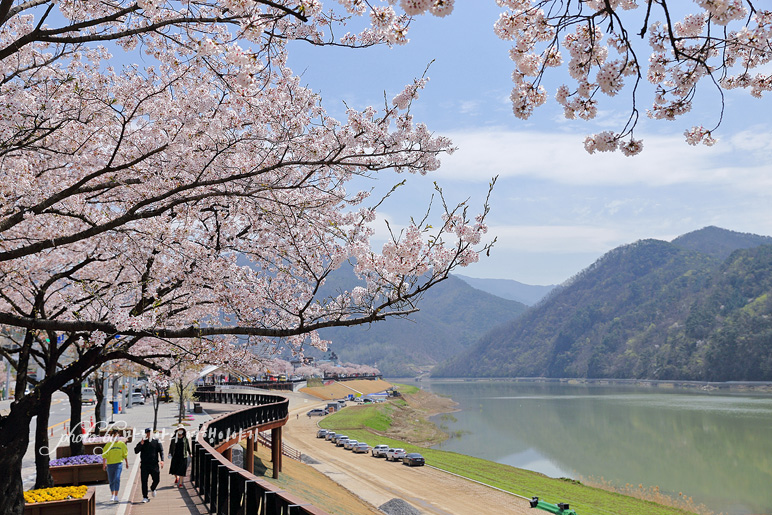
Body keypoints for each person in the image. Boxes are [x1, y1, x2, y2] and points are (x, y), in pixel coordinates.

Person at [134, 428, 164, 503]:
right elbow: (136, 451)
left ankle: (153, 488)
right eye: (147, 433)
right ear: (146, 434)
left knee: (157, 479)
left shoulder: (156, 441)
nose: (149, 434)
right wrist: (141, 444)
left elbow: (161, 451)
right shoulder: (143, 442)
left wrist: (162, 460)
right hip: (144, 465)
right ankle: (145, 497)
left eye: (150, 432)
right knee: (144, 481)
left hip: (154, 464)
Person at [101, 429, 129, 503]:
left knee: (117, 478)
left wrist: (126, 462)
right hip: (110, 464)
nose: (116, 437)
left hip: (118, 464)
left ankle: (116, 495)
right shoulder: (108, 445)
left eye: (117, 436)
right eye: (114, 436)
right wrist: (104, 464)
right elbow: (104, 455)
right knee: (111, 480)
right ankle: (112, 494)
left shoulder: (122, 444)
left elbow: (124, 454)